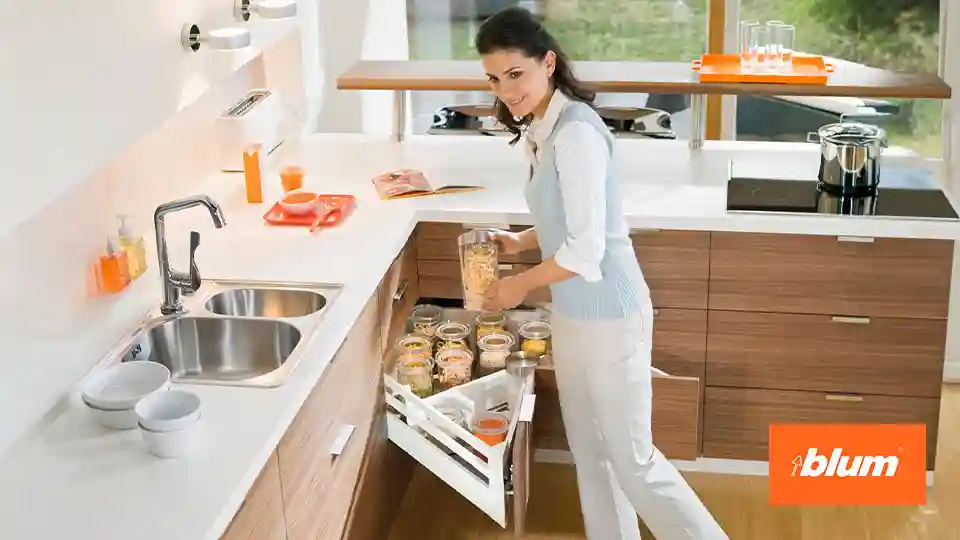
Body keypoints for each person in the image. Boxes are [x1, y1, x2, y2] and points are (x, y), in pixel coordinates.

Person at [476, 7, 729, 540]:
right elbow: (568, 219)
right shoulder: (540, 128)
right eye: (495, 79)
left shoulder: (577, 135)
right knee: (591, 452)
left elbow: (587, 251)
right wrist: (520, 240)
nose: (506, 90)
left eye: (515, 74)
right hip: (572, 315)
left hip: (612, 316)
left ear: (547, 63)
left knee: (633, 461)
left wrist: (518, 284)